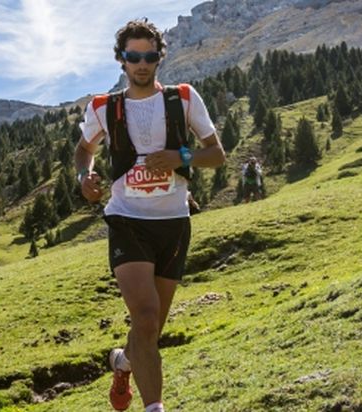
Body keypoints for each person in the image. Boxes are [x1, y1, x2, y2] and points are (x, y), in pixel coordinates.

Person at [74, 19, 226, 412]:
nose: (142, 63)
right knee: (144, 316)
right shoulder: (104, 107)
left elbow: (216, 153)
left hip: (174, 221)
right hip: (127, 219)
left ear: (160, 57)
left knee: (151, 330)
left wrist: (181, 156)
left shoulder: (183, 99)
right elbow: (83, 149)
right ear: (121, 60)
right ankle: (154, 407)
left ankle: (123, 362)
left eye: (149, 56)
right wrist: (83, 175)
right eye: (133, 56)